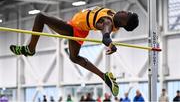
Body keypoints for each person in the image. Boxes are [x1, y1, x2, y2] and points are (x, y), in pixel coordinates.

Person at [10, 6, 139, 96]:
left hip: (73, 29)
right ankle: (104, 77)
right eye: (127, 11)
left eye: (126, 14)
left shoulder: (108, 22)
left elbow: (105, 36)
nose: (124, 11)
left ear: (123, 22)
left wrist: (110, 43)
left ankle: (30, 49)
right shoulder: (113, 15)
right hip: (77, 28)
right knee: (74, 57)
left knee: (40, 17)